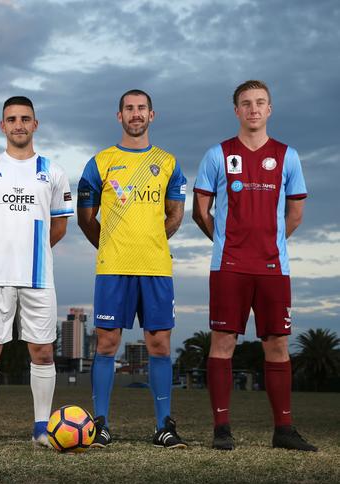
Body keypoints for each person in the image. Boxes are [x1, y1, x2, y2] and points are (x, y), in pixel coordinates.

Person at [193, 80, 317, 451]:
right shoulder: (218, 154)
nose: (253, 109)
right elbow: (201, 210)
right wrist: (226, 242)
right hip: (228, 265)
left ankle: (283, 431)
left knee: (278, 344)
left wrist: (270, 242)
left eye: (260, 103)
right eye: (246, 103)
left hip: (273, 267)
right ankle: (222, 429)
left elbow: (294, 214)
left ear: (269, 109)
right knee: (223, 341)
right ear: (236, 110)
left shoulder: (287, 155)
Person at [0, 96, 73, 449]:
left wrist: (30, 253)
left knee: (42, 352)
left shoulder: (53, 171)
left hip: (38, 276)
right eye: (12, 119)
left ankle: (42, 429)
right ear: (2, 125)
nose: (19, 124)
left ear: (35, 124)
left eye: (25, 118)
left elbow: (59, 227)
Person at [77, 89, 187, 449]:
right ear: (119, 115)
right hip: (114, 268)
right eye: (129, 109)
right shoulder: (100, 162)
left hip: (156, 267)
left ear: (152, 115)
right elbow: (86, 218)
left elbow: (174, 215)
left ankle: (163, 426)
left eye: (142, 109)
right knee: (107, 343)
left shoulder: (168, 163)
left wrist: (154, 240)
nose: (136, 114)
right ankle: (101, 425)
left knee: (159, 344)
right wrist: (109, 245)